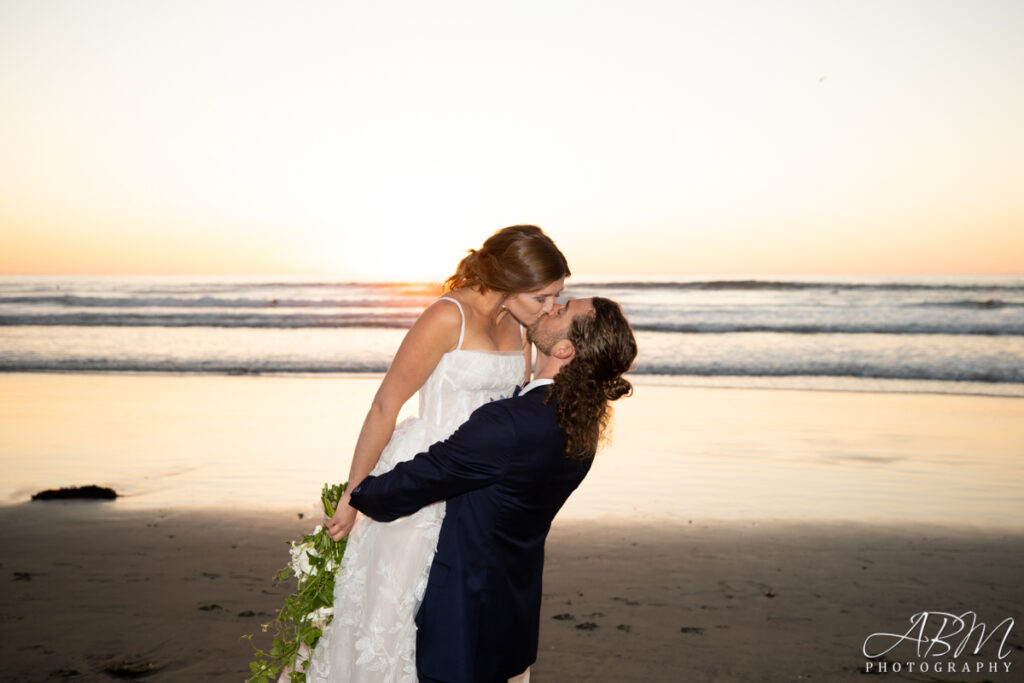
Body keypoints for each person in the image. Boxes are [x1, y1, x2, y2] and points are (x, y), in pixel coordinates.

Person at [305, 225, 570, 683]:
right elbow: (387, 404)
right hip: (425, 474)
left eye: (556, 297)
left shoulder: (519, 324)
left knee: (468, 617)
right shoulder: (447, 316)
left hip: (482, 482)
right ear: (508, 279)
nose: (550, 308)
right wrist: (354, 493)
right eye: (543, 296)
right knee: (398, 615)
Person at [341, 297, 637, 683]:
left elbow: (419, 481)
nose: (549, 308)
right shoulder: (581, 428)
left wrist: (358, 493)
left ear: (565, 349)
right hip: (512, 611)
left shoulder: (510, 423)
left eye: (561, 310)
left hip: (463, 617)